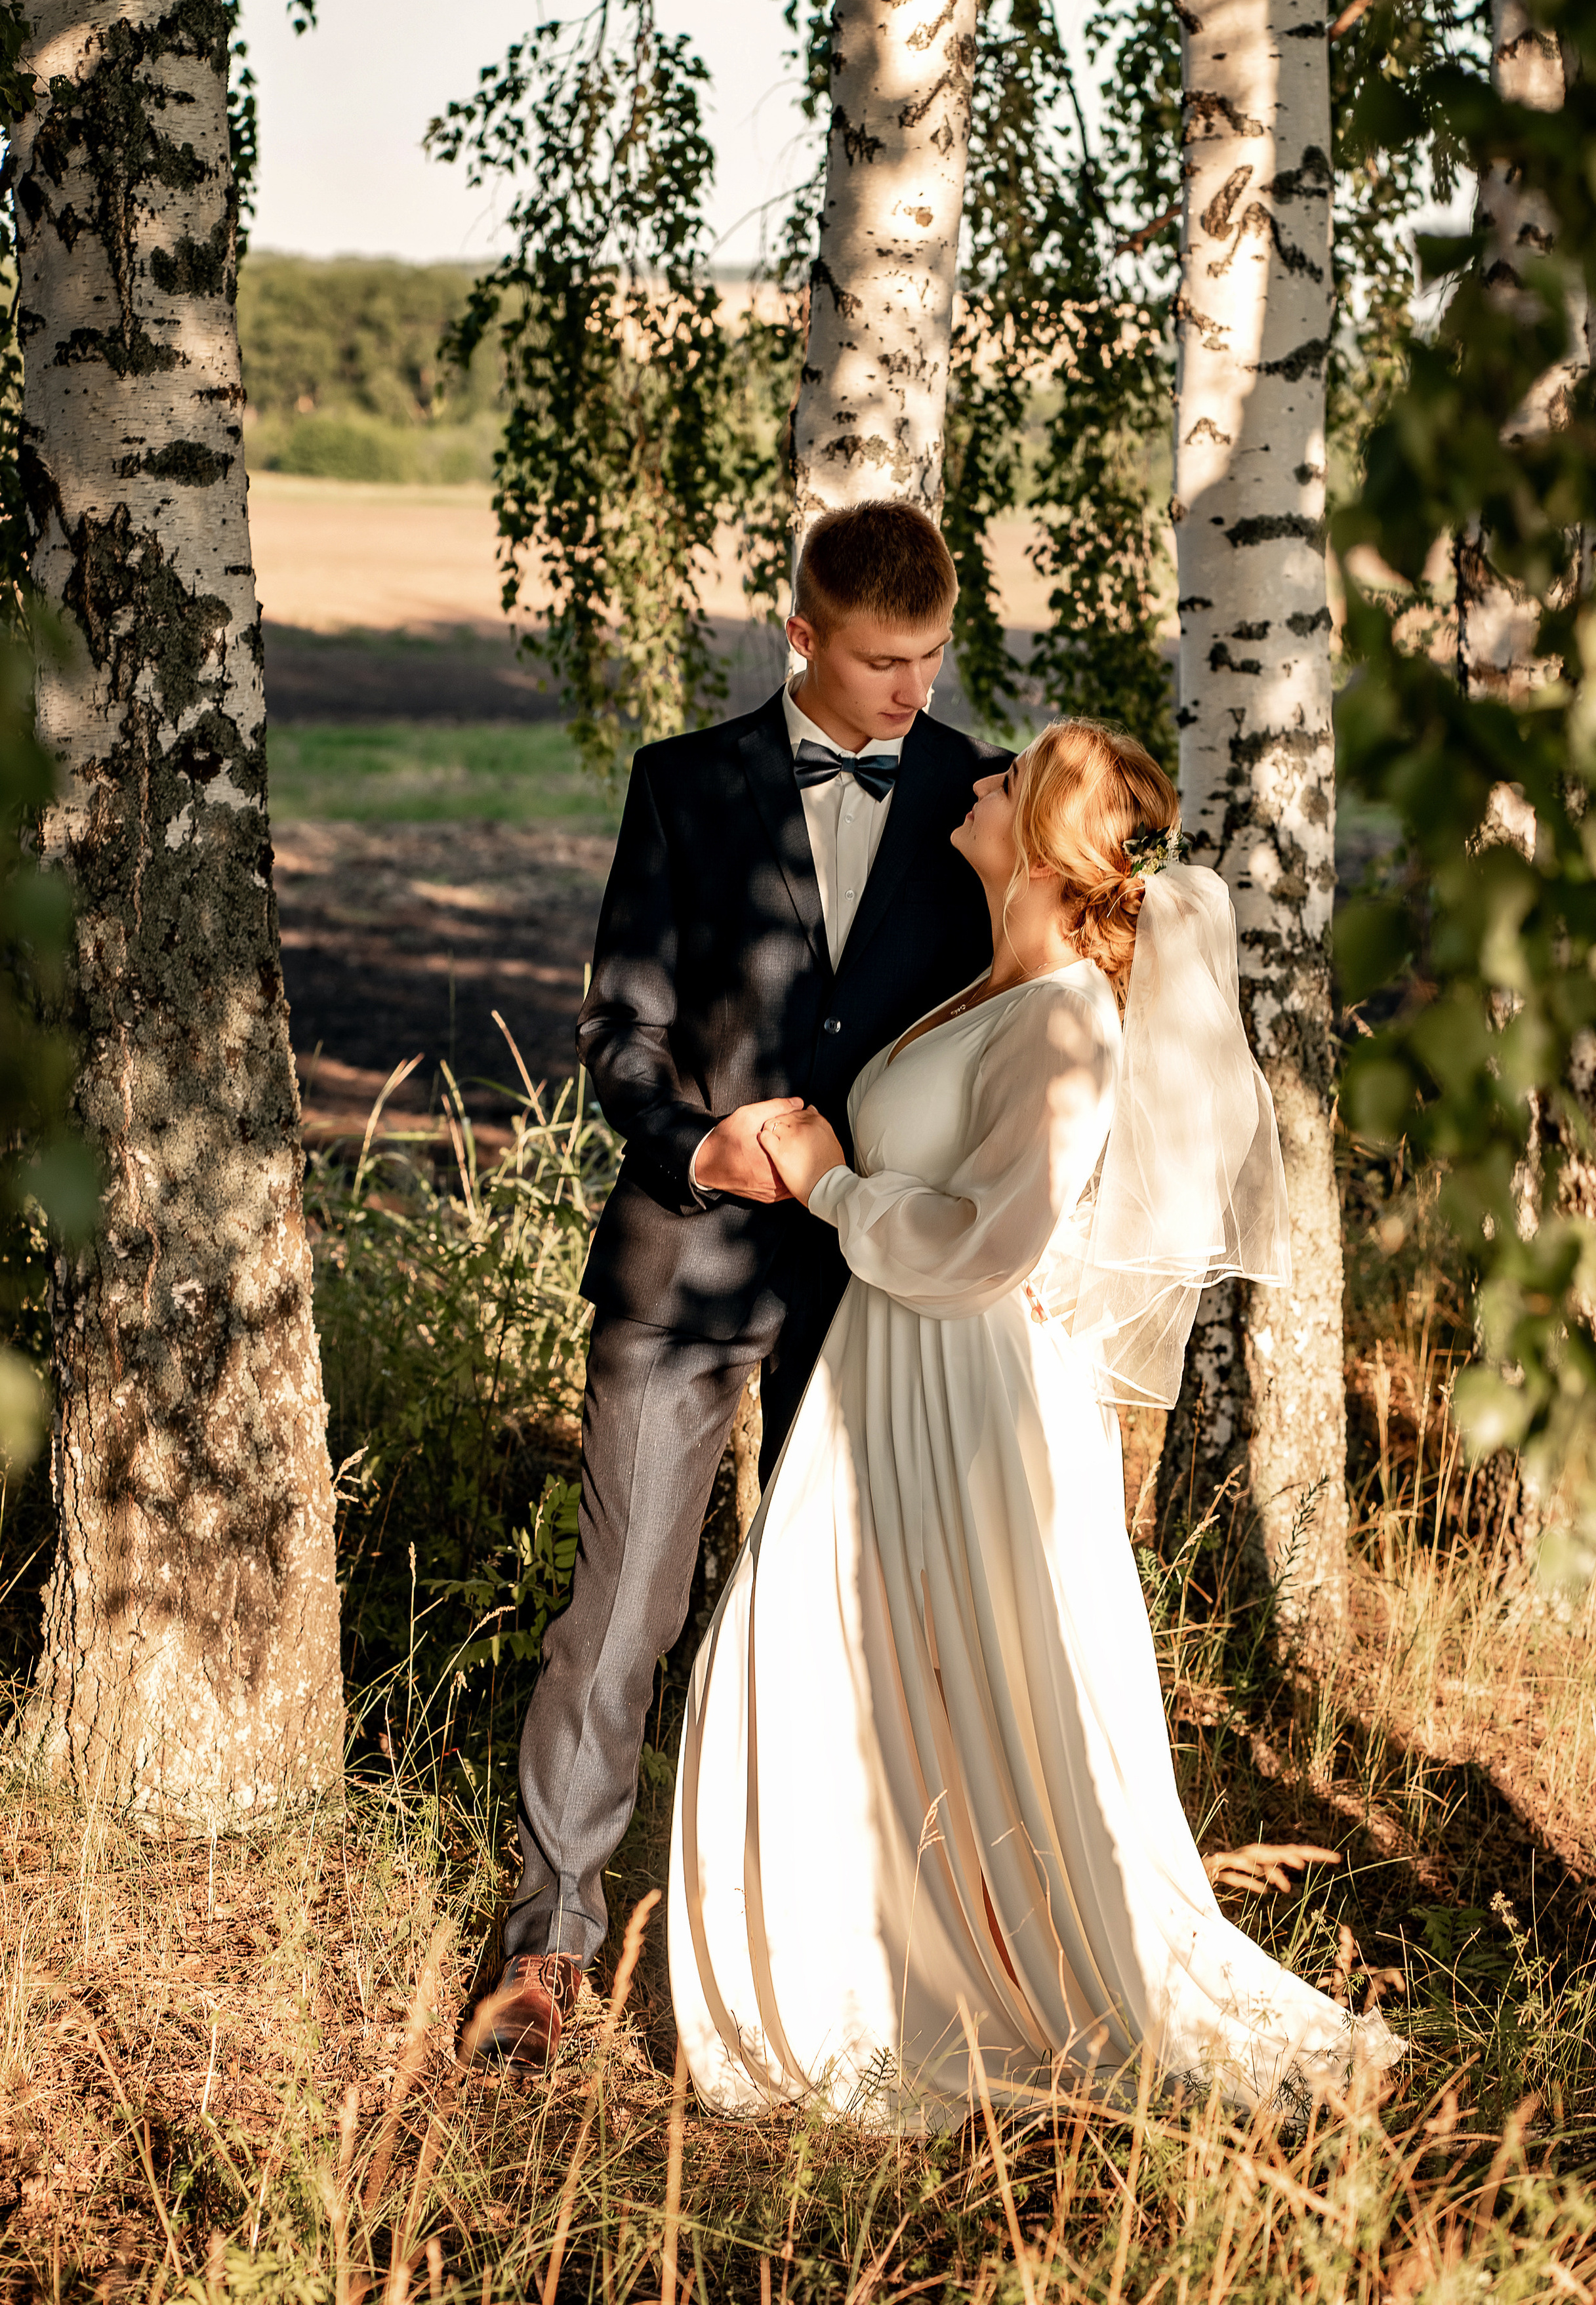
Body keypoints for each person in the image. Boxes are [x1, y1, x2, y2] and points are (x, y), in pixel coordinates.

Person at [668, 720, 1404, 2127]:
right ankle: (876, 1958)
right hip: (891, 1377)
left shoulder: (1064, 1012)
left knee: (957, 1684)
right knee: (824, 1674)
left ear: (1047, 833)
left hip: (967, 1392)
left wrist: (827, 1188)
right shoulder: (985, 986)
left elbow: (993, 1243)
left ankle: (982, 1981)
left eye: (1006, 780)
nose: (977, 784)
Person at [460, 500, 1006, 2068]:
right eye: (878, 661)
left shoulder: (980, 795)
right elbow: (619, 1031)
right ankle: (548, 1949)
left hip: (885, 1275)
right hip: (683, 1258)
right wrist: (703, 1150)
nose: (909, 692)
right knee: (624, 1606)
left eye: (927, 658)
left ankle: (848, 1950)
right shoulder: (682, 786)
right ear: (799, 634)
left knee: (872, 1613)